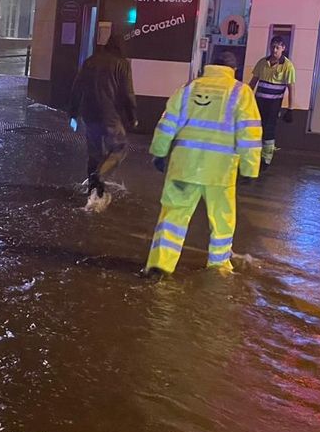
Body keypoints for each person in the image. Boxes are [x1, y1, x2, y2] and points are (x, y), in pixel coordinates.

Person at [141, 55, 262, 279]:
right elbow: (250, 134)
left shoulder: (188, 89)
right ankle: (218, 266)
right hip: (220, 172)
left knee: (173, 216)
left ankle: (159, 265)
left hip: (183, 167)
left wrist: (158, 152)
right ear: (233, 68)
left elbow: (167, 124)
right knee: (222, 220)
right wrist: (250, 168)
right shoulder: (240, 92)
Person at [67, 32, 139, 201]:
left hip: (89, 114)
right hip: (110, 115)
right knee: (119, 148)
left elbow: (77, 88)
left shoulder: (90, 61)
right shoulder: (122, 64)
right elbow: (128, 93)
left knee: (94, 153)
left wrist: (73, 113)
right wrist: (132, 115)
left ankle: (93, 192)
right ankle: (100, 174)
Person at [248, 36, 296, 167]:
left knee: (269, 130)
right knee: (256, 129)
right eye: (272, 47)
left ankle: (266, 159)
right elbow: (253, 82)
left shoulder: (288, 66)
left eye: (277, 47)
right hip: (259, 102)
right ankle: (254, 156)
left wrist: (290, 109)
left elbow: (291, 89)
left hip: (274, 104)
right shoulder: (262, 62)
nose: (274, 50)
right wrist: (245, 98)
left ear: (283, 49)